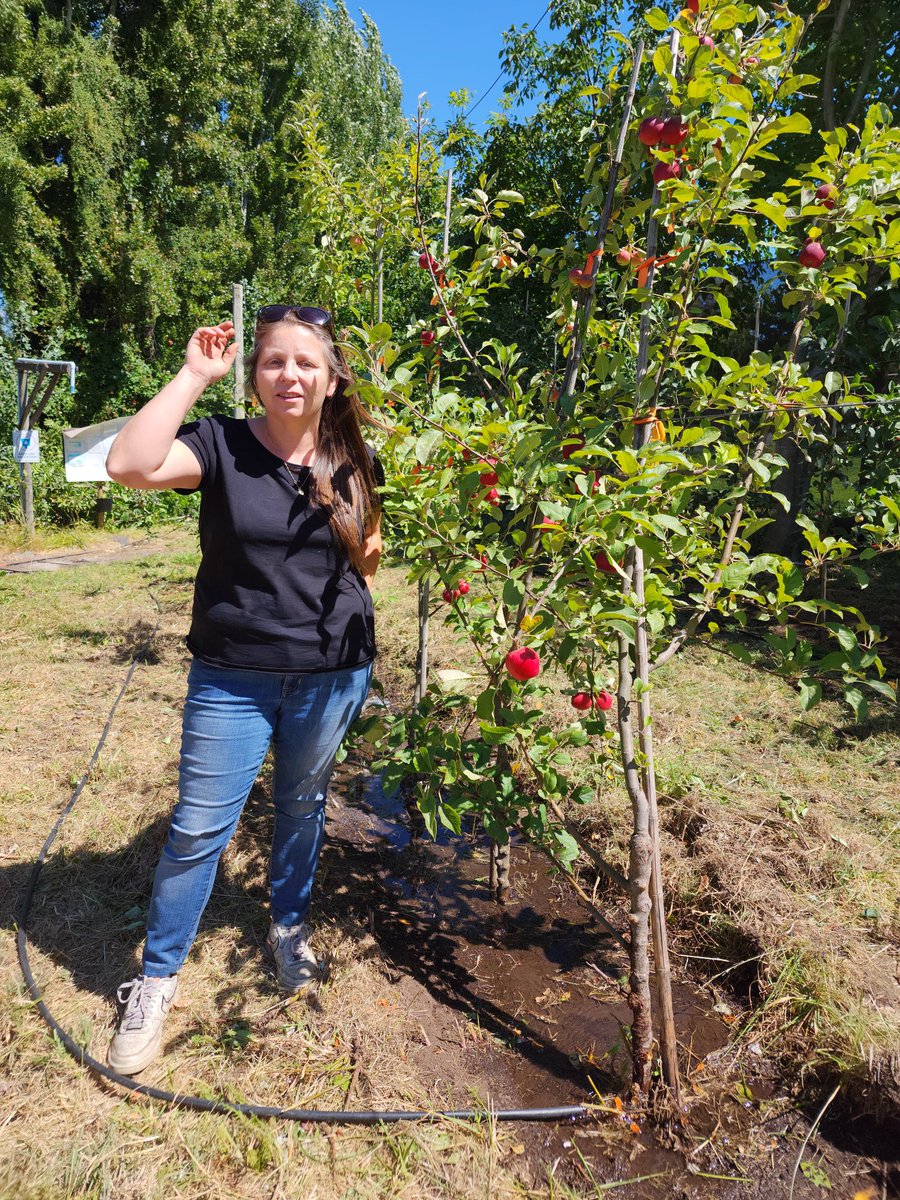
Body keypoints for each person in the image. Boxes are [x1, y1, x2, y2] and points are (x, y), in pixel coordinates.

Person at [104, 305, 383, 1075]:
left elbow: (371, 550)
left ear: (331, 379)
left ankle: (287, 929)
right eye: (273, 362)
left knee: (301, 805)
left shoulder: (353, 456)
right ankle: (157, 979)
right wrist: (194, 375)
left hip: (333, 673)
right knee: (199, 828)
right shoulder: (220, 446)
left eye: (305, 363)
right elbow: (128, 465)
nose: (288, 375)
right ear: (254, 374)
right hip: (234, 674)